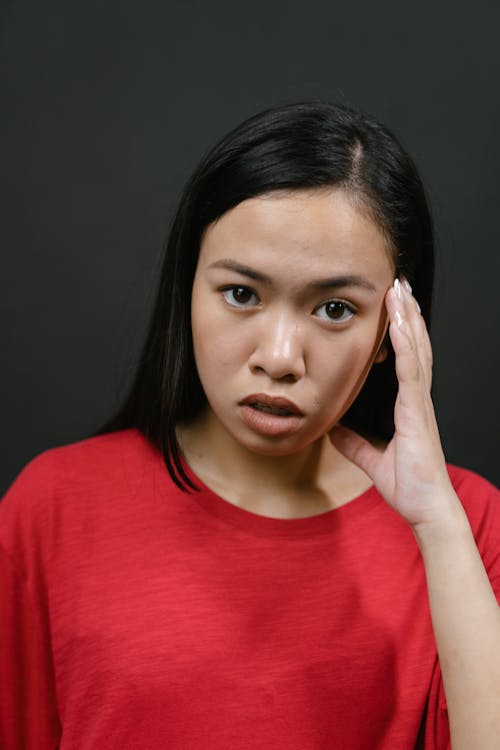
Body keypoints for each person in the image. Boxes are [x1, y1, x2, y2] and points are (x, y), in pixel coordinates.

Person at [1, 101, 499, 750]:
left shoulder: (467, 525)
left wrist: (436, 524)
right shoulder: (55, 507)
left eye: (335, 308)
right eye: (242, 294)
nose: (280, 358)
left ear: (391, 331)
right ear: (187, 288)